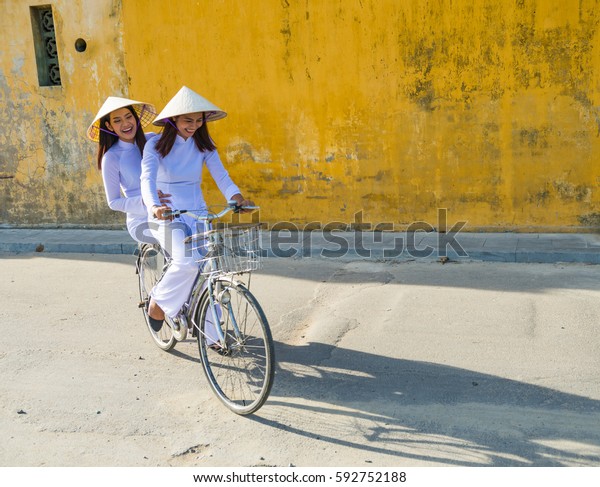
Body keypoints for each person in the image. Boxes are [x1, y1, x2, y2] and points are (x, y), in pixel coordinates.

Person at [140, 86, 253, 331]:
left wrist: (237, 198)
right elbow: (146, 179)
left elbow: (221, 176)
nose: (194, 125)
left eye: (198, 120)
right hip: (167, 216)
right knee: (187, 263)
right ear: (173, 120)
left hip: (198, 214)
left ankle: (212, 334)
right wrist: (154, 206)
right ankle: (158, 300)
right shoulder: (155, 146)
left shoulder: (204, 145)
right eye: (188, 120)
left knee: (208, 269)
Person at [87, 96, 169, 244]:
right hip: (141, 220)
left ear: (135, 118)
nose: (125, 124)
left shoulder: (152, 140)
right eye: (117, 120)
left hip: (170, 209)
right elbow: (114, 202)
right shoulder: (111, 157)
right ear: (109, 126)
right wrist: (147, 202)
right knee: (176, 242)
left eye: (128, 117)